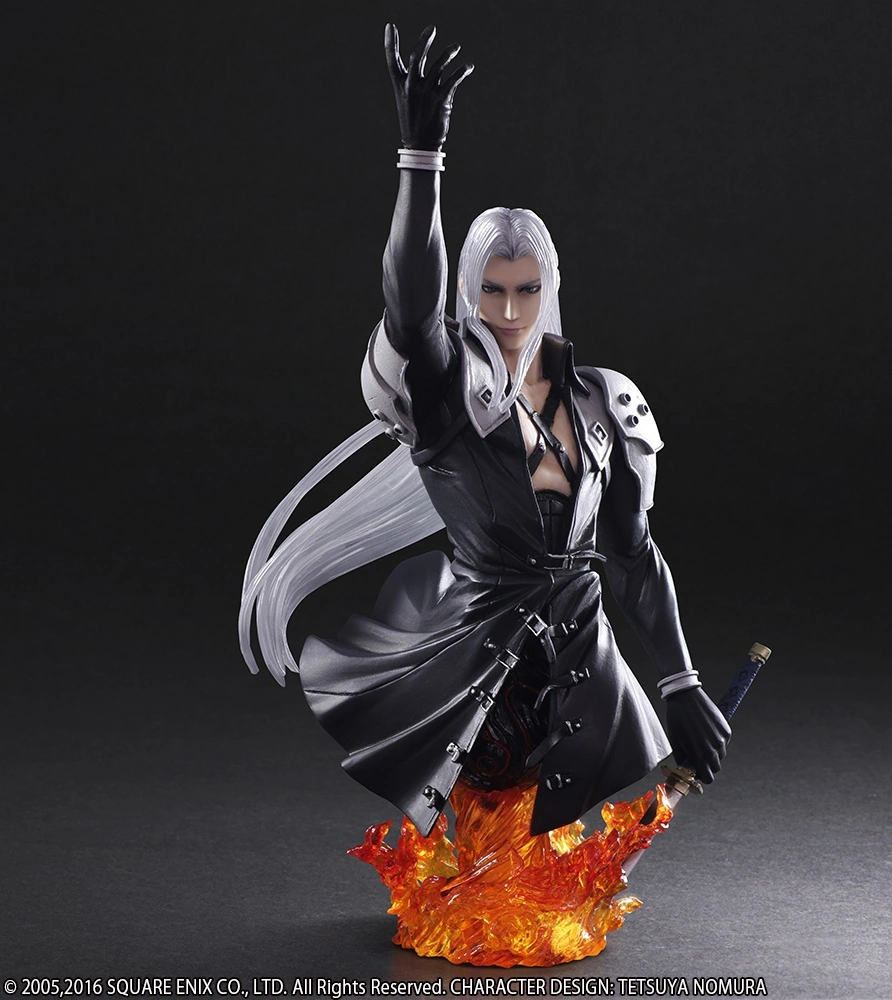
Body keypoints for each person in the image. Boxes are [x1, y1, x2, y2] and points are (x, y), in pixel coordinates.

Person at [240, 24, 730, 844]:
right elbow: (409, 306)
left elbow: (633, 553)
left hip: (583, 667)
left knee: (548, 843)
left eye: (526, 290)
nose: (508, 311)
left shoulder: (603, 400)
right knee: (481, 834)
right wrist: (420, 160)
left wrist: (679, 679)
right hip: (479, 662)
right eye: (491, 290)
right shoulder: (448, 396)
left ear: (551, 286)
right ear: (468, 291)